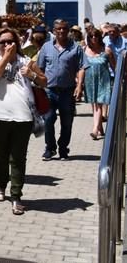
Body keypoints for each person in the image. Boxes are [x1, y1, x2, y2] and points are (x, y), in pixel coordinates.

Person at [0, 28, 47, 215]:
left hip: (23, 117)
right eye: (2, 42)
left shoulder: (26, 62)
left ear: (16, 43)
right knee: (1, 155)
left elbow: (44, 81)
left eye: (10, 42)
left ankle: (16, 195)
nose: (6, 45)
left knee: (18, 158)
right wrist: (6, 57)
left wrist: (32, 75)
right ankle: (1, 186)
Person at [37, 19, 85, 161]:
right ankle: (50, 148)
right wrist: (39, 86)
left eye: (64, 28)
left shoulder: (76, 48)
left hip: (67, 91)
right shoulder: (46, 47)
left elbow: (82, 67)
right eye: (58, 29)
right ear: (54, 30)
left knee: (67, 122)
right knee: (48, 120)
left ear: (68, 30)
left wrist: (79, 85)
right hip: (49, 90)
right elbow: (40, 68)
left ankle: (63, 148)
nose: (62, 31)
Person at [83, 27, 111, 139]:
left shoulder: (106, 50)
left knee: (98, 104)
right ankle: (100, 128)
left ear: (100, 37)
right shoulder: (85, 50)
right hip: (89, 81)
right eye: (91, 36)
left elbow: (114, 66)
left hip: (103, 80)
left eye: (96, 36)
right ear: (88, 38)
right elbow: (81, 67)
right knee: (94, 104)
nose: (94, 38)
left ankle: (94, 130)